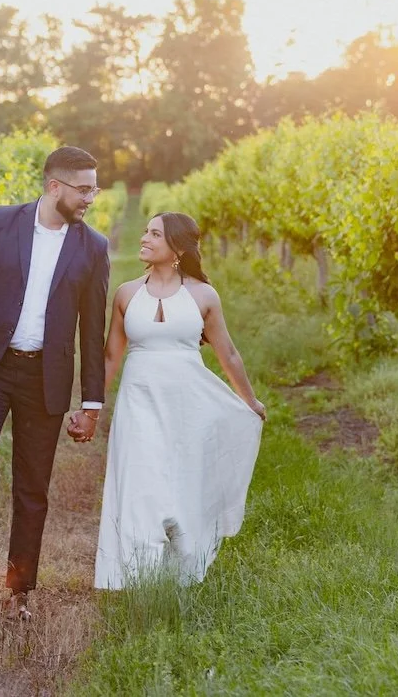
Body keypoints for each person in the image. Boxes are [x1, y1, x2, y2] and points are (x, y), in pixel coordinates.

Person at [0, 146, 110, 620]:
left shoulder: (94, 247)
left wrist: (92, 402)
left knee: (32, 487)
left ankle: (18, 592)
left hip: (45, 377)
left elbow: (91, 333)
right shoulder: (0, 221)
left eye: (94, 187)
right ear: (55, 186)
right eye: (84, 188)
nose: (91, 196)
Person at [80, 212, 266, 589]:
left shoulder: (203, 295)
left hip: (188, 404)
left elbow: (227, 353)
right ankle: (134, 577)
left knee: (181, 486)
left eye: (154, 234)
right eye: (144, 230)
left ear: (177, 248)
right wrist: (91, 409)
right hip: (138, 401)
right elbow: (111, 356)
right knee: (139, 483)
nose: (144, 238)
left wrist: (250, 401)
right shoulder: (127, 293)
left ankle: (179, 577)